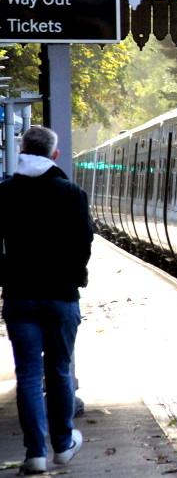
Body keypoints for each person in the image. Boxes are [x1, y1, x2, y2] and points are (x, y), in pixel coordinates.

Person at [0, 126, 93, 474]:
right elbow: (84, 244)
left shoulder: (5, 192)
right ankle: (64, 443)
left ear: (22, 151)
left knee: (27, 374)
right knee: (58, 371)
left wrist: (6, 274)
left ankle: (34, 453)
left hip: (20, 297)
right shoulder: (71, 193)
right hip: (60, 296)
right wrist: (73, 276)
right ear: (54, 155)